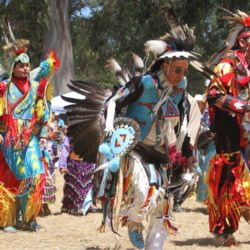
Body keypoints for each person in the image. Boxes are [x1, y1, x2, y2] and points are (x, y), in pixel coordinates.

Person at [63, 11, 207, 250]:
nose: (181, 76)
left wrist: (186, 150)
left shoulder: (179, 90)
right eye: (177, 70)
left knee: (163, 203)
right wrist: (110, 134)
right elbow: (113, 102)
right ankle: (134, 222)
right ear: (166, 64)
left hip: (160, 150)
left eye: (185, 71)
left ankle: (154, 246)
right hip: (134, 147)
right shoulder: (144, 83)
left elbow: (181, 123)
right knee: (142, 189)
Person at [0, 39, 59, 232]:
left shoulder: (36, 88)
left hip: (30, 138)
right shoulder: (4, 88)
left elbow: (43, 114)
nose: (25, 69)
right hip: (9, 138)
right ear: (13, 67)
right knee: (11, 178)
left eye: (27, 65)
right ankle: (9, 219)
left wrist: (43, 135)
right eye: (21, 65)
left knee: (35, 174)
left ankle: (29, 217)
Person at [206, 10, 250, 246]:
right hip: (229, 137)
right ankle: (224, 232)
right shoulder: (228, 63)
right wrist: (243, 105)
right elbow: (213, 95)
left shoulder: (247, 66)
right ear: (244, 40)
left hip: (245, 135)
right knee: (227, 184)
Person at [59, 135, 96, 215]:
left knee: (88, 185)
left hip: (88, 163)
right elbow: (65, 148)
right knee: (73, 186)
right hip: (74, 163)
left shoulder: (92, 131)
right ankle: (73, 207)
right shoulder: (71, 134)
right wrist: (62, 165)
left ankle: (87, 206)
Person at [194, 94, 216, 203]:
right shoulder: (208, 112)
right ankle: (206, 198)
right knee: (208, 169)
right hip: (211, 143)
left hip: (225, 143)